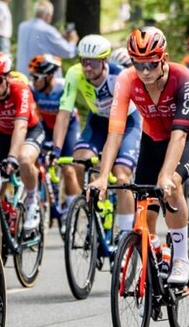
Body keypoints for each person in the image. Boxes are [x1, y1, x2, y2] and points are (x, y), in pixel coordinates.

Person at [87, 27, 189, 286]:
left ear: (163, 58)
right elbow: (115, 132)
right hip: (152, 141)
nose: (145, 71)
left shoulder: (182, 77)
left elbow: (179, 135)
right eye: (138, 64)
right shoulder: (126, 80)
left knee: (171, 185)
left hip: (188, 138)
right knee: (144, 205)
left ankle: (181, 259)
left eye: (151, 64)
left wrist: (165, 175)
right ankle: (155, 251)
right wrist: (103, 176)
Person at [51, 35, 142, 234]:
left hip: (127, 124)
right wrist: (56, 149)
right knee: (78, 162)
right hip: (98, 122)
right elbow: (64, 114)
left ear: (104, 61)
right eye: (83, 61)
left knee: (121, 176)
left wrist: (106, 167)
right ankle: (96, 210)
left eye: (92, 63)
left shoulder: (119, 78)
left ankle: (126, 234)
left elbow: (116, 130)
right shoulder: (75, 74)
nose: (87, 67)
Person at [0, 52, 46, 232]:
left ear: (8, 77)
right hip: (3, 135)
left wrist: (12, 157)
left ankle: (31, 201)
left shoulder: (20, 90)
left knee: (24, 159)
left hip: (29, 131)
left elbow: (20, 127)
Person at [27, 54, 78, 154]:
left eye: (36, 77)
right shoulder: (31, 88)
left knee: (67, 166)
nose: (33, 81)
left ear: (49, 76)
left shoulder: (63, 87)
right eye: (32, 77)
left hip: (68, 126)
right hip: (46, 126)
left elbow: (63, 118)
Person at [16, 0, 78, 76]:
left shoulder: (22, 26)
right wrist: (73, 41)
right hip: (42, 79)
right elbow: (67, 52)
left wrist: (59, 37)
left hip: (23, 75)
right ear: (48, 15)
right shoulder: (48, 30)